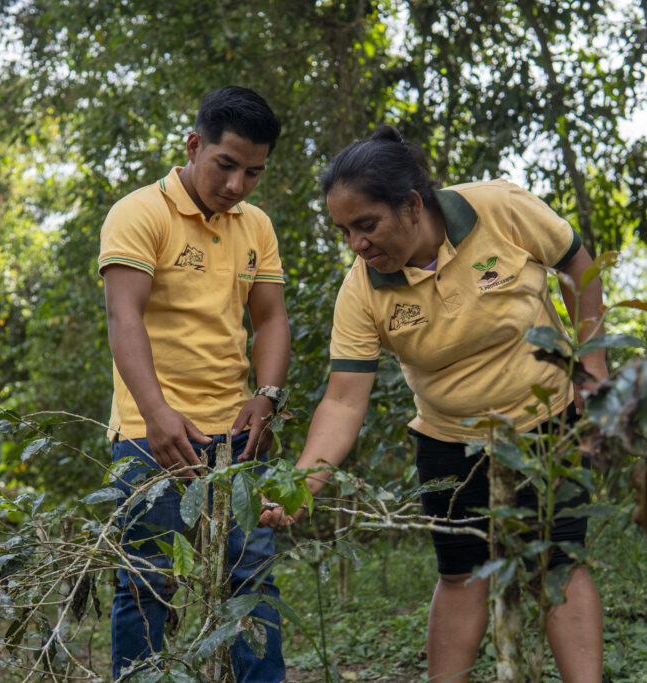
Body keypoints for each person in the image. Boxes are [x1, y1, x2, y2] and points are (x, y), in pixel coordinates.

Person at [261, 125, 607, 682]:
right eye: (345, 231)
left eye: (366, 225)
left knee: (557, 565)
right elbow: (345, 401)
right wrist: (305, 480)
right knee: (459, 573)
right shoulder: (361, 290)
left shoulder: (498, 209)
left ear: (413, 205)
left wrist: (593, 372)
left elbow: (580, 272)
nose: (356, 244)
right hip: (449, 440)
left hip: (549, 422)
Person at [99, 86, 289, 681]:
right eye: (225, 165)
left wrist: (267, 395)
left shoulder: (255, 226)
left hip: (234, 438)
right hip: (147, 434)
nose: (236, 186)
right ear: (194, 145)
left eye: (253, 173)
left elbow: (271, 319)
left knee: (251, 579)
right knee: (148, 584)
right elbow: (122, 316)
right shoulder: (139, 213)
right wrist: (155, 414)